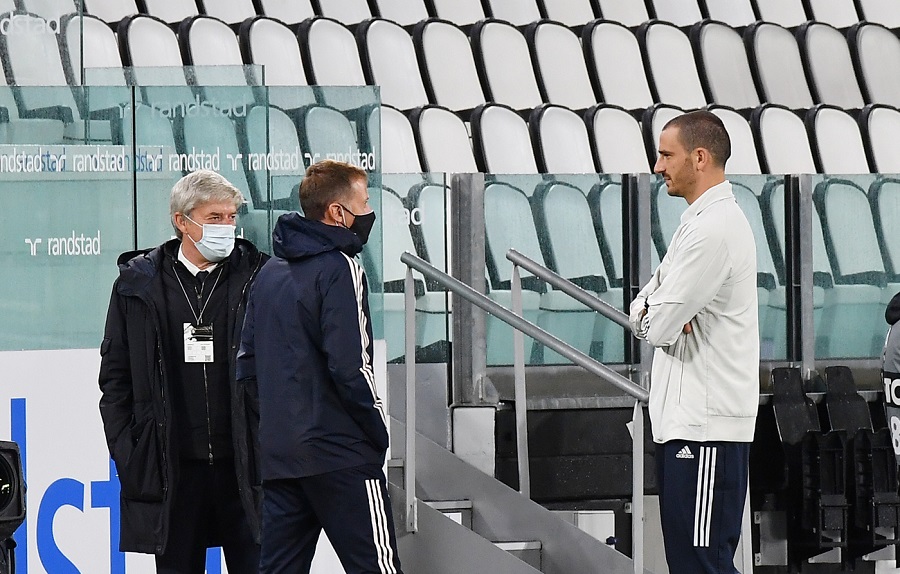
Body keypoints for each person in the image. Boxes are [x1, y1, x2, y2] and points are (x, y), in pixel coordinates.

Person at [237, 159, 402, 574]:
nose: (368, 212)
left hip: (282, 458)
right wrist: (377, 432)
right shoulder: (342, 268)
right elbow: (351, 366)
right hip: (342, 455)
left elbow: (248, 369)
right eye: (364, 203)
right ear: (337, 213)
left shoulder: (268, 273)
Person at [98, 170, 268, 573]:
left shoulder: (259, 276)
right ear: (182, 221)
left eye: (231, 217)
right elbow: (115, 379)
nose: (227, 227)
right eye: (215, 217)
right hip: (173, 470)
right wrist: (129, 450)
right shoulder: (138, 285)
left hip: (247, 467)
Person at [629, 111, 759, 573]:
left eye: (667, 155)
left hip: (706, 431)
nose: (658, 166)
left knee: (702, 566)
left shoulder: (713, 230)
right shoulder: (698, 223)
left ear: (699, 157)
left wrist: (655, 313)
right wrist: (653, 311)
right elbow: (645, 307)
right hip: (689, 427)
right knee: (691, 564)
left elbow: (657, 326)